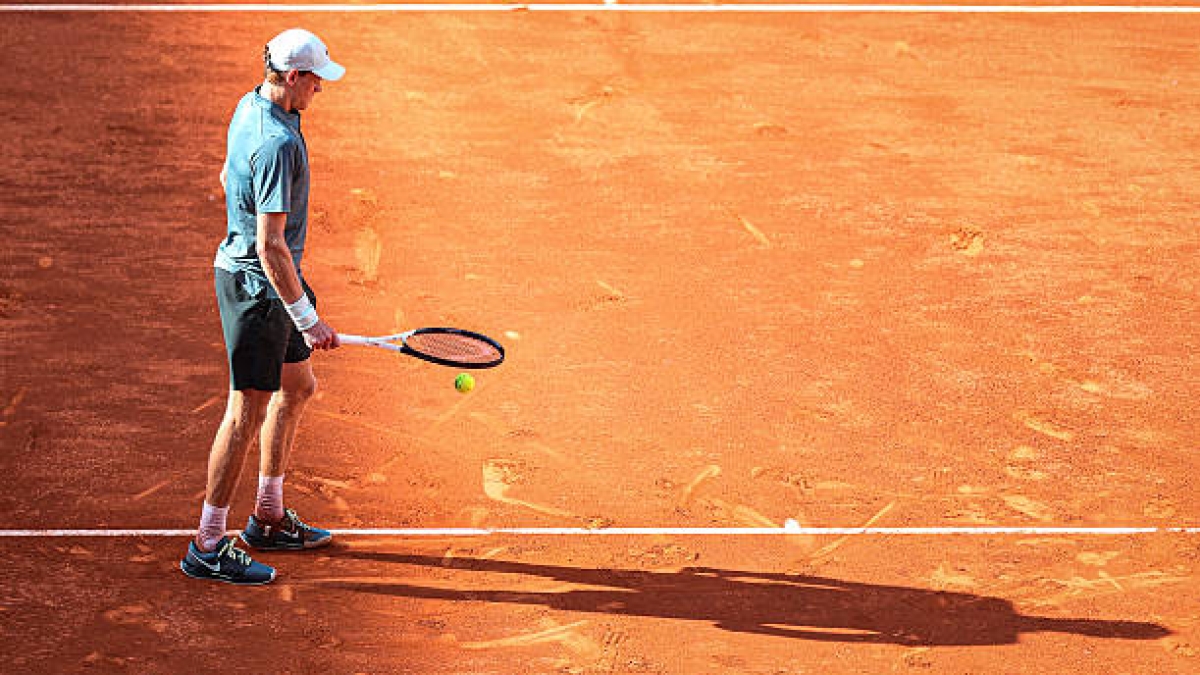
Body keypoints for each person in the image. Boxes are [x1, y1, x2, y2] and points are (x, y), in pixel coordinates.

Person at [180, 28, 346, 585]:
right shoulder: (276, 141)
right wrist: (306, 317)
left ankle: (269, 517)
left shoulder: (250, 105)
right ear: (294, 77)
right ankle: (207, 543)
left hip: (274, 282)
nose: (321, 88)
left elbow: (228, 175)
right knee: (246, 410)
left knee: (297, 387)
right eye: (316, 79)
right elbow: (269, 245)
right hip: (260, 290)